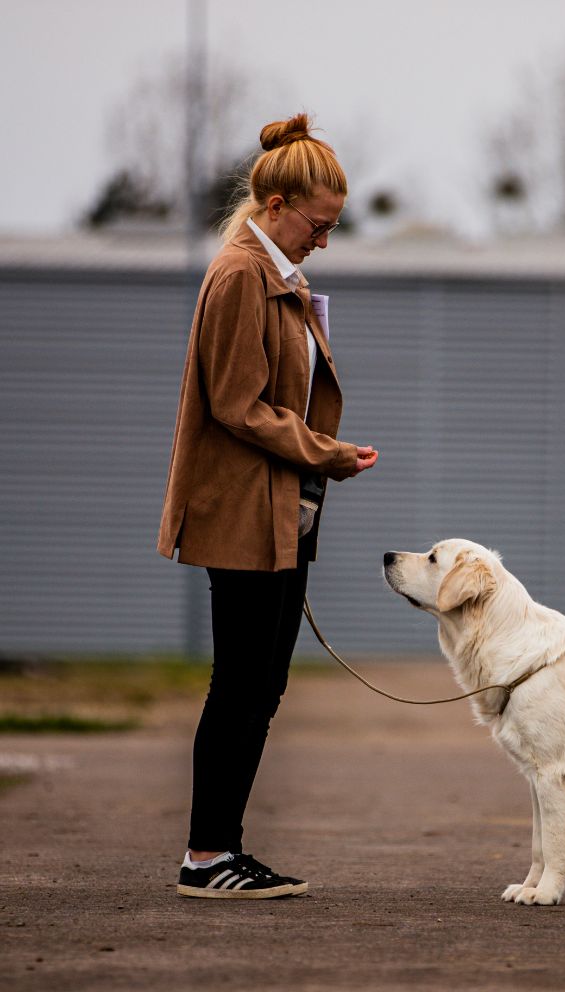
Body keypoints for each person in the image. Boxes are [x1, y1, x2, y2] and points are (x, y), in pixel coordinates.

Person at [158, 112, 378, 898]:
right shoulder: (241, 274)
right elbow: (236, 405)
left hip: (279, 509)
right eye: (319, 225)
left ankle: (221, 849)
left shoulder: (278, 273)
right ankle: (207, 856)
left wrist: (316, 467)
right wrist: (328, 454)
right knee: (242, 684)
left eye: (331, 229)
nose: (324, 240)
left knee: (261, 685)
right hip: (241, 512)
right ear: (279, 204)